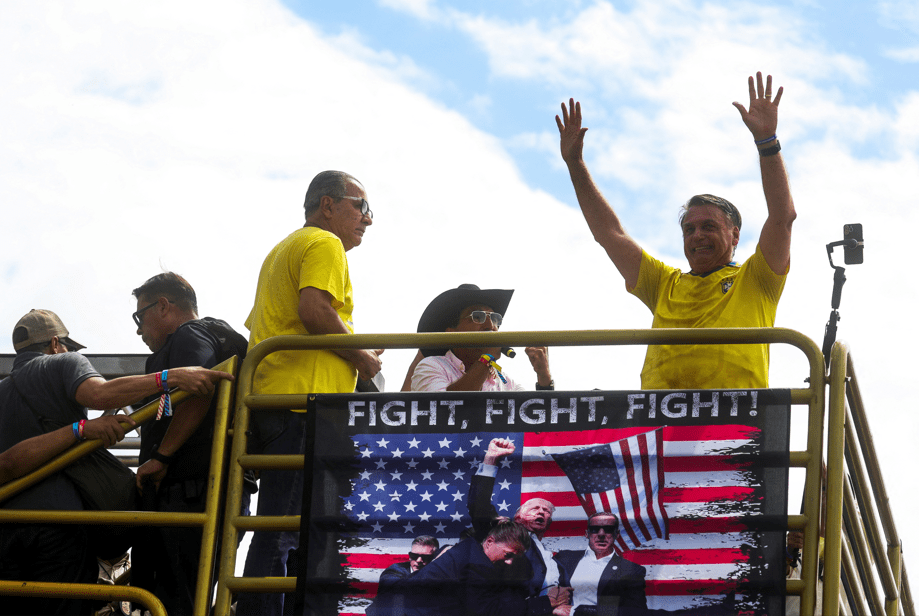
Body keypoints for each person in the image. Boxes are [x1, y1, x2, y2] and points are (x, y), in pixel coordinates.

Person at [556, 72, 796, 389]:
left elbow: (782, 217)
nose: (697, 236)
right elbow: (610, 234)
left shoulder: (756, 279)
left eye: (709, 226)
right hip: (663, 418)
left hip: (734, 417)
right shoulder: (663, 283)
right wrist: (575, 164)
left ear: (735, 235)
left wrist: (767, 142)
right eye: (689, 229)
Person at [0, 309, 231, 616]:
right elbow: (100, 395)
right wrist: (172, 377)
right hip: (59, 526)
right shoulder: (63, 362)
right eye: (68, 345)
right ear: (55, 344)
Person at [239, 170, 384, 615]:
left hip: (278, 403)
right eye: (362, 207)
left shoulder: (283, 248)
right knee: (283, 531)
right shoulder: (325, 243)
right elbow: (315, 310)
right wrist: (362, 358)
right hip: (302, 406)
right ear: (328, 205)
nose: (368, 219)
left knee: (283, 528)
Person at [129, 272, 250, 615]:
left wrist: (161, 456)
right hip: (213, 486)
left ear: (163, 306)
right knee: (188, 595)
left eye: (140, 317)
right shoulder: (221, 336)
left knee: (175, 599)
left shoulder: (189, 334)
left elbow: (199, 389)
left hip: (191, 490)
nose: (139, 330)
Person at [467, 438, 571, 616]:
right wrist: (491, 459)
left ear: (549, 522)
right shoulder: (503, 534)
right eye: (534, 508)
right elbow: (479, 507)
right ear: (517, 517)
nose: (541, 512)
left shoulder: (556, 561)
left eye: (546, 511)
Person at [410, 284, 553, 392]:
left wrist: (544, 378)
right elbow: (449, 410)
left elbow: (533, 417)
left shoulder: (504, 381)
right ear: (451, 333)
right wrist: (487, 358)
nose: (490, 326)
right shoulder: (430, 366)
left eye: (495, 318)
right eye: (478, 317)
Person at [386, 519, 535, 616]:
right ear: (489, 542)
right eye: (508, 555)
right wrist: (543, 603)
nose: (510, 562)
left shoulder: (470, 548)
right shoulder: (476, 566)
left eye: (515, 558)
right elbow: (487, 611)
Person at [553, 512, 648, 616]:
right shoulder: (564, 558)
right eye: (595, 529)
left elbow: (636, 612)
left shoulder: (631, 570)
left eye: (608, 529)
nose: (601, 534)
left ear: (617, 534)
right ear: (587, 533)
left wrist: (575, 611)